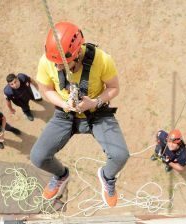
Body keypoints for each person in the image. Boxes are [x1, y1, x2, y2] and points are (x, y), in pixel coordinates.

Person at [30, 21, 129, 208]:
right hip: (64, 113)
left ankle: (107, 177)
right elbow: (46, 90)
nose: (58, 68)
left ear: (76, 54)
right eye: (55, 63)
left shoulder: (102, 60)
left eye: (62, 64)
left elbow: (114, 88)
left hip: (97, 112)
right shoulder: (47, 61)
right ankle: (61, 175)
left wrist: (94, 102)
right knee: (38, 157)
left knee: (120, 155)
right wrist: (63, 103)